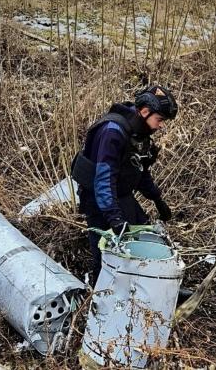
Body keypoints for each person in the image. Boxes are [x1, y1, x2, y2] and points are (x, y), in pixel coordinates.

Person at [71, 85, 177, 285]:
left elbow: (139, 170)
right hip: (97, 199)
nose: (161, 126)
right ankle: (100, 293)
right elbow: (103, 179)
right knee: (106, 252)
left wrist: (157, 198)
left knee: (145, 237)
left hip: (121, 194)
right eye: (160, 120)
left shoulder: (139, 133)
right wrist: (115, 219)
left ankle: (153, 286)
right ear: (145, 111)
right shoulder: (112, 132)